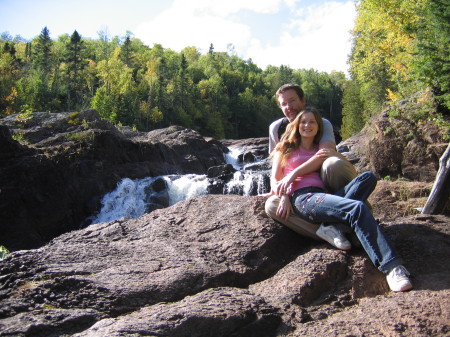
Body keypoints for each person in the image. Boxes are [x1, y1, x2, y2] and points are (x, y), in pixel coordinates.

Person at [270, 107, 413, 292]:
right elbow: (274, 179)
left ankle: (335, 226)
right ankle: (392, 267)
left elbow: (322, 160)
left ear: (318, 126)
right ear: (296, 126)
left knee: (367, 177)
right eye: (303, 122)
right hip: (304, 198)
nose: (307, 125)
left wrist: (294, 174)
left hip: (325, 196)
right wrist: (284, 197)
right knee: (356, 208)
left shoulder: (319, 151)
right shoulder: (284, 148)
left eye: (312, 122)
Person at [265, 83, 357, 247]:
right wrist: (280, 192)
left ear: (303, 100)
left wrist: (292, 176)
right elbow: (277, 168)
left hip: (322, 181)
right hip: (295, 190)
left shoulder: (322, 123)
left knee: (332, 164)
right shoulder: (276, 128)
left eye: (292, 101)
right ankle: (331, 231)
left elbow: (324, 155)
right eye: (283, 104)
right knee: (272, 205)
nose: (289, 107)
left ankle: (356, 212)